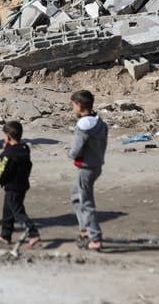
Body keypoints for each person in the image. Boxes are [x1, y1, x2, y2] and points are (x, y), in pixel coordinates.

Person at [67, 90, 108, 251]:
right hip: (96, 165)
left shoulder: (82, 126)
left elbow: (76, 149)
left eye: (73, 105)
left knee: (86, 202)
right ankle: (85, 230)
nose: (72, 109)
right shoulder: (100, 122)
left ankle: (95, 238)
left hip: (86, 168)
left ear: (79, 105)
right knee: (76, 195)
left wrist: (69, 154)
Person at [0, 121, 41, 247]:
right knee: (8, 211)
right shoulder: (24, 148)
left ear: (7, 137)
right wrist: (8, 148)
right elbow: (16, 156)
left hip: (12, 187)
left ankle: (33, 233)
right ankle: (5, 236)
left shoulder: (8, 154)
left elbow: (3, 170)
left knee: (18, 212)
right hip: (22, 185)